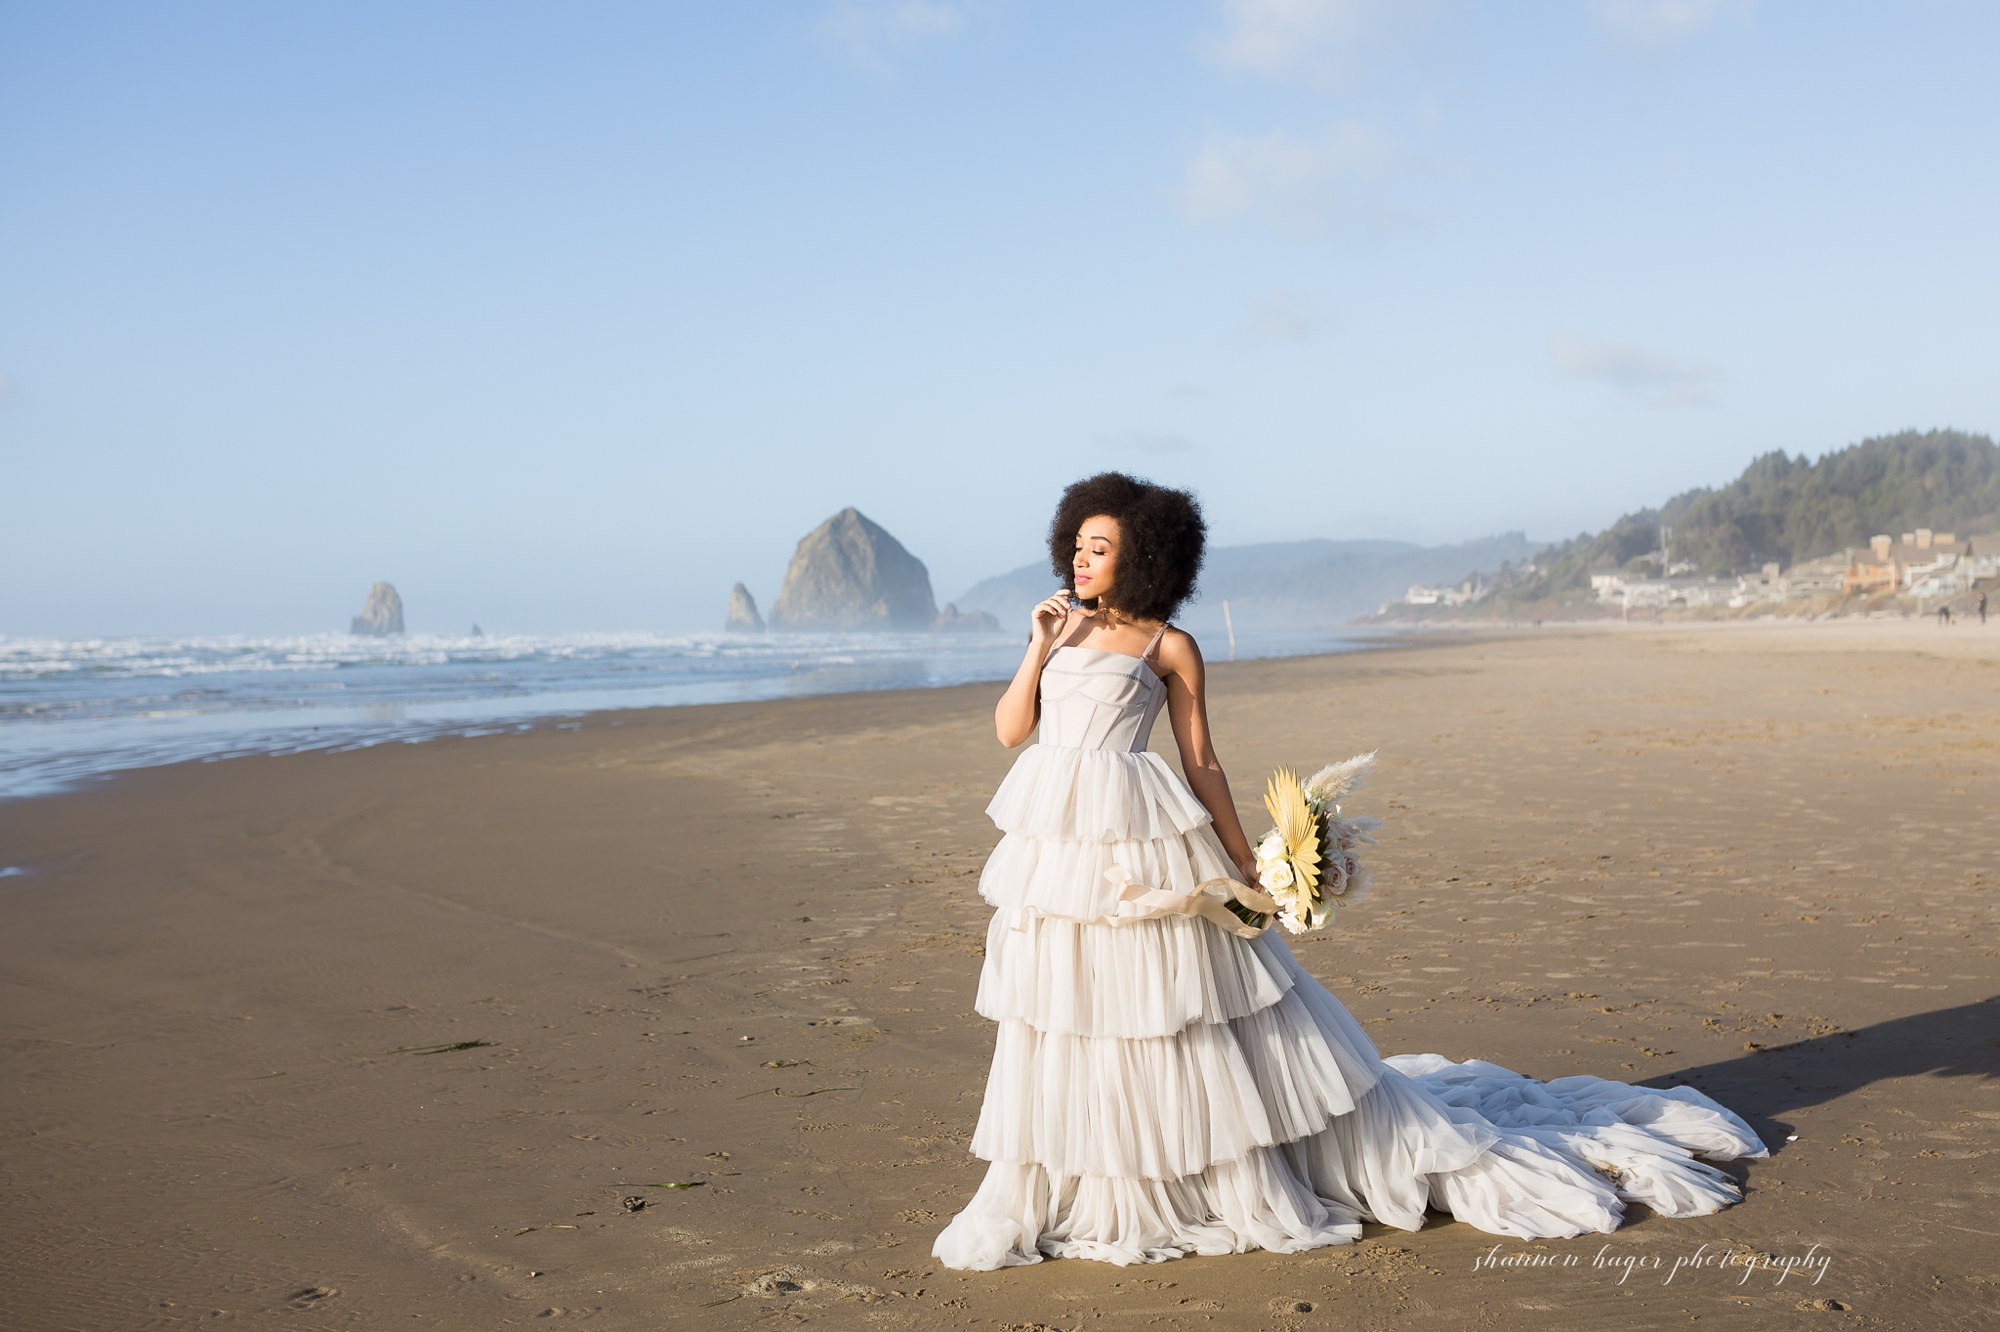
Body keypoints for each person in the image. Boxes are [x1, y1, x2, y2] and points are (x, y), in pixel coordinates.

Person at [932, 472, 1768, 1271]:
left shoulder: (1169, 645)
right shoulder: (1058, 629)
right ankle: (1097, 1165)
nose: (1081, 559)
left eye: (1100, 547)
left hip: (1143, 831)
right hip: (1053, 840)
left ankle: (1189, 1169)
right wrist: (1037, 647)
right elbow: (1013, 733)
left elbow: (1203, 764)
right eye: (1076, 543)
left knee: (1168, 1009)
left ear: (1144, 555)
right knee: (1072, 1009)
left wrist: (1239, 858)